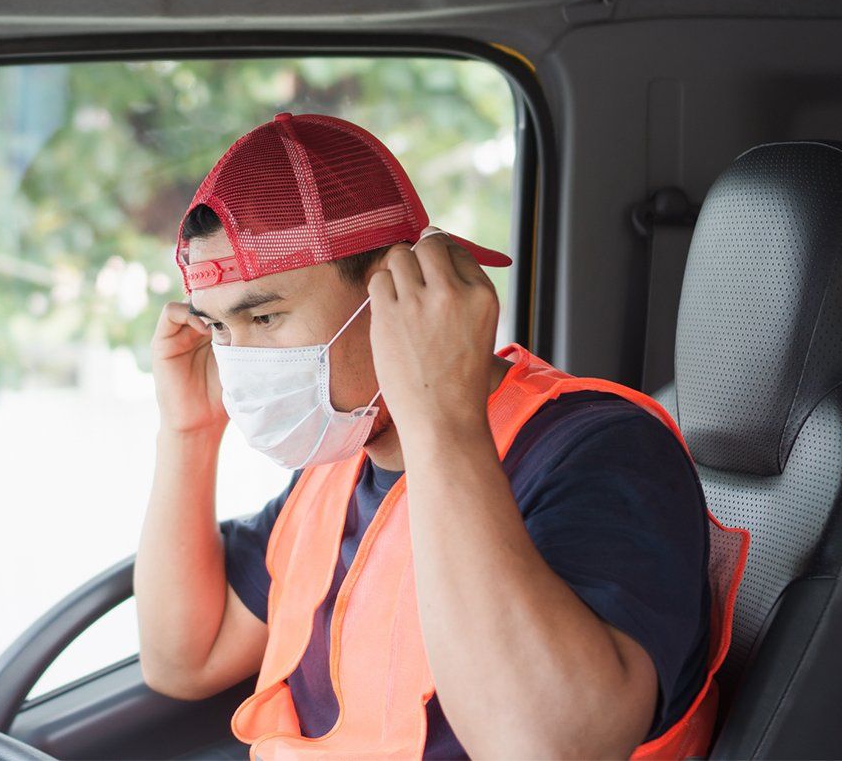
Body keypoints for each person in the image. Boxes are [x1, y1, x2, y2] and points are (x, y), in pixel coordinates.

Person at [133, 112, 747, 759]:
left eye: (264, 317)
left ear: (391, 290)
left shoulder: (603, 450)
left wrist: (441, 421)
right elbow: (184, 659)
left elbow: (548, 747)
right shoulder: (337, 459)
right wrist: (187, 432)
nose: (238, 361)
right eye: (218, 328)